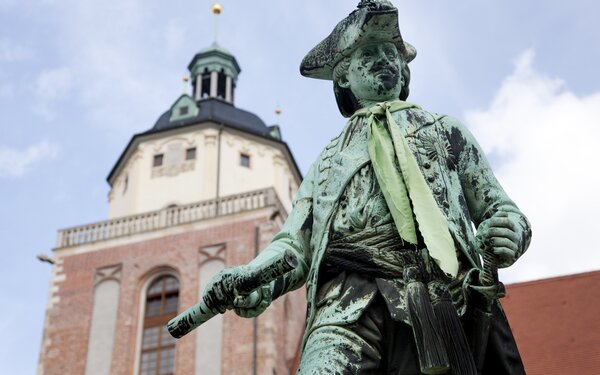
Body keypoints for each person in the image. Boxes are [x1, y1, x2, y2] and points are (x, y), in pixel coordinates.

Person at [203, 1, 531, 373]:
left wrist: (509, 231)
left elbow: (500, 210)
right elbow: (295, 244)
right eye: (369, 53)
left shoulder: (445, 131)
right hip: (346, 306)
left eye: (391, 53)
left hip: (442, 297)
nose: (383, 60)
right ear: (343, 77)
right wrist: (255, 276)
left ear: (404, 72)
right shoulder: (327, 161)